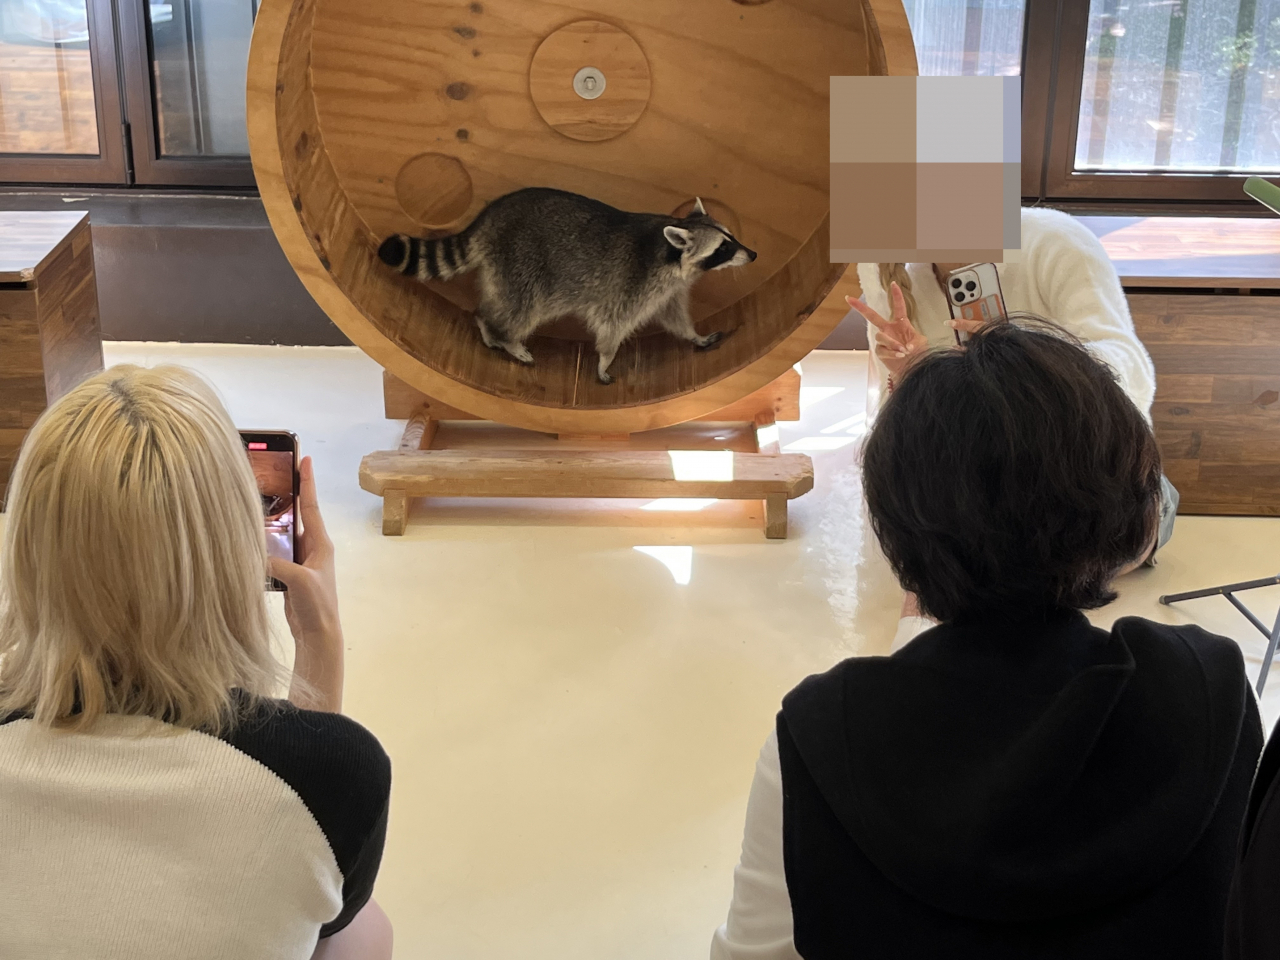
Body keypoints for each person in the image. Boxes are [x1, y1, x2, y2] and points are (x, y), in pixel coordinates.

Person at [711, 320, 1261, 960]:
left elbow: (752, 953)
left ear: (894, 524)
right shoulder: (1206, 688)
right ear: (1132, 515)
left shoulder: (817, 736)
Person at [0, 365, 393, 960]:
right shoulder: (344, 770)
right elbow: (308, 853)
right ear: (231, 546)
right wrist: (323, 642)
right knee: (364, 930)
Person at [846, 205, 1179, 573]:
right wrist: (913, 377)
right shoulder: (892, 276)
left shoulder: (1053, 241)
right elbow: (901, 447)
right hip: (994, 491)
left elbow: (1132, 376)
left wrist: (1025, 356)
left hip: (1099, 484)